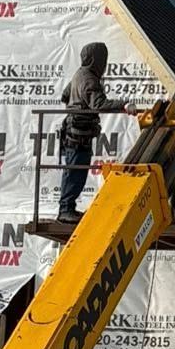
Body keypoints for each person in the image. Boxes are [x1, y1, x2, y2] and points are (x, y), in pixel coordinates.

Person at [57, 41, 135, 221]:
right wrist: (123, 105)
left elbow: (65, 95)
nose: (104, 64)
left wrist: (76, 105)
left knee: (74, 171)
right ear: (96, 60)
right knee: (75, 172)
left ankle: (67, 208)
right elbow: (98, 104)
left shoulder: (79, 74)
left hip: (75, 131)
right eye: (103, 59)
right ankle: (66, 210)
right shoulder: (90, 79)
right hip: (78, 133)